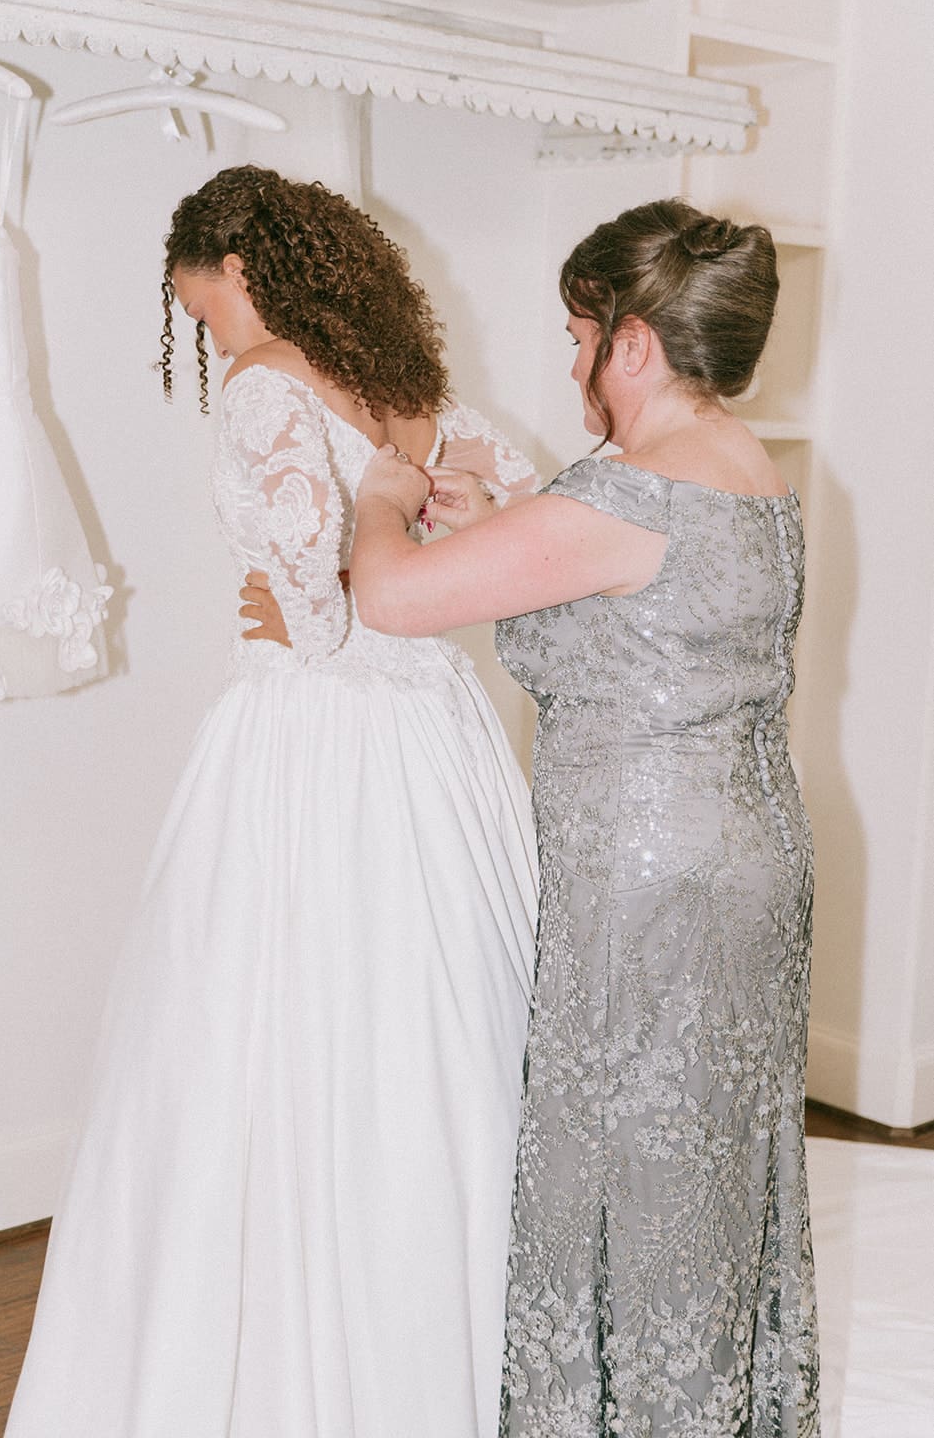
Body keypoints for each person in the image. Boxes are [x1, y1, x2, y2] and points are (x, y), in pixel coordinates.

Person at [3, 167, 540, 1438]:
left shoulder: (262, 383)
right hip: (441, 734)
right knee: (444, 1029)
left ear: (236, 270)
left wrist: (311, 604)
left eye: (202, 309)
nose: (208, 336)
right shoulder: (403, 384)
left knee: (271, 1042)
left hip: (317, 743)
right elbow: (515, 499)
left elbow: (306, 592)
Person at [349, 198, 820, 1436]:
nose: (571, 366)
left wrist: (379, 498)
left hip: (646, 880)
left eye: (578, 338)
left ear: (634, 343)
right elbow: (622, 598)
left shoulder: (625, 493)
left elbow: (391, 597)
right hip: (756, 855)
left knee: (630, 1171)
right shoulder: (749, 467)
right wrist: (493, 524)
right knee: (716, 1163)